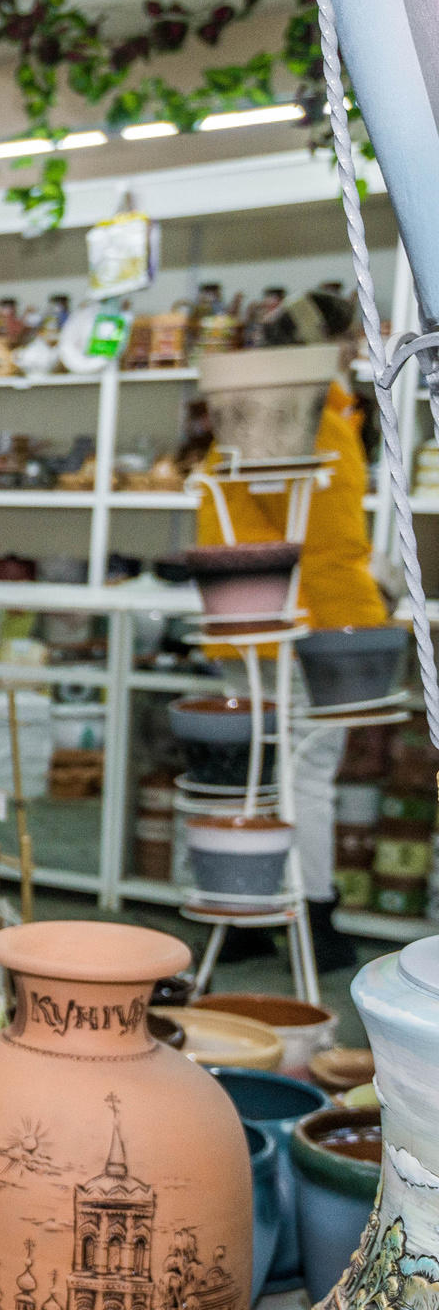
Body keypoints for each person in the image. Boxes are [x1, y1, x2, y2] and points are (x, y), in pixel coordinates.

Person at [193, 285, 381, 971]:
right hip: (306, 621)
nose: (359, 348)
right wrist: (367, 603)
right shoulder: (311, 416)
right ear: (326, 344)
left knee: (257, 771)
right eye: (351, 336)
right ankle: (316, 919)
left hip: (246, 615)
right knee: (307, 771)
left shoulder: (245, 409)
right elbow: (328, 543)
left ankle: (247, 912)